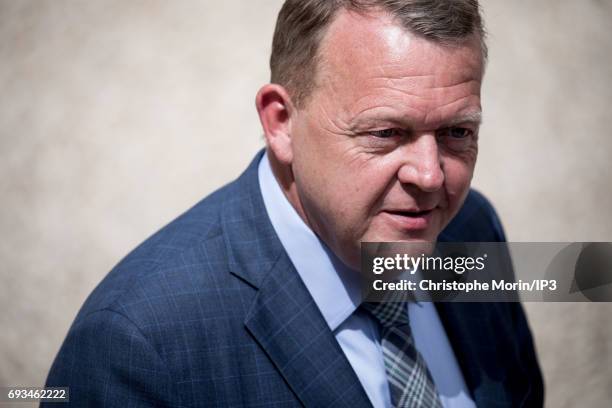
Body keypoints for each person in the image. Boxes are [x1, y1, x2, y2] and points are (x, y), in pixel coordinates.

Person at [44, 0, 544, 406]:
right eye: (386, 133)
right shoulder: (135, 343)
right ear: (281, 122)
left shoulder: (472, 226)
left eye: (457, 132)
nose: (430, 176)